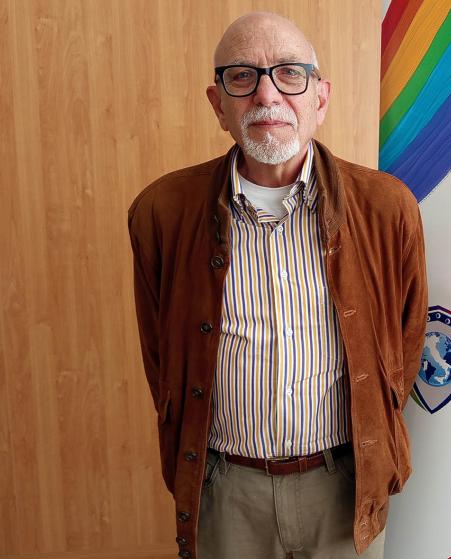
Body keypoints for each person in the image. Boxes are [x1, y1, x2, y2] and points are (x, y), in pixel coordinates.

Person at [127, 12, 427, 559]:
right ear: (218, 105)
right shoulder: (163, 212)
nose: (267, 95)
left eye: (290, 73)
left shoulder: (387, 208)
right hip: (226, 493)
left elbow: (403, 350)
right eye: (242, 76)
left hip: (345, 486)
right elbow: (161, 356)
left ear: (320, 97)